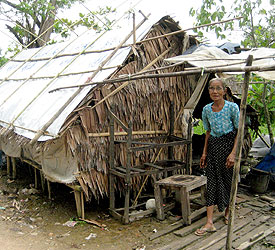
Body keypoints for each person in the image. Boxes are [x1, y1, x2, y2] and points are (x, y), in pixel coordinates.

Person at [195, 78, 240, 236]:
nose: (215, 91)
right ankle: (209, 222)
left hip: (228, 147)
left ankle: (227, 212)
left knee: (228, 181)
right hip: (213, 148)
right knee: (212, 182)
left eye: (218, 88)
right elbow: (207, 132)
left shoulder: (232, 107)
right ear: (208, 91)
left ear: (224, 90)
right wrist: (204, 153)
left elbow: (238, 131)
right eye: (212, 88)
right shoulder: (207, 109)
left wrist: (233, 153)